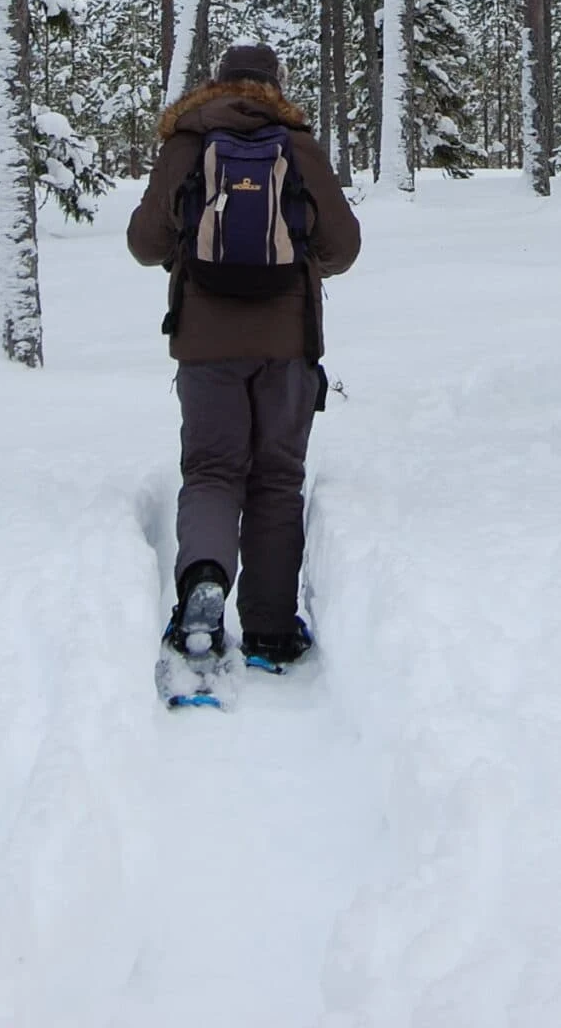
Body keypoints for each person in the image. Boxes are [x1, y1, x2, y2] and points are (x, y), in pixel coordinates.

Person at [128, 40, 361, 671]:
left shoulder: (186, 143)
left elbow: (145, 244)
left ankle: (202, 585)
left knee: (211, 471)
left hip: (204, 345)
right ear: (276, 84)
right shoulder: (297, 143)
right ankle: (270, 628)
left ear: (218, 82)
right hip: (288, 345)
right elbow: (343, 246)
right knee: (277, 480)